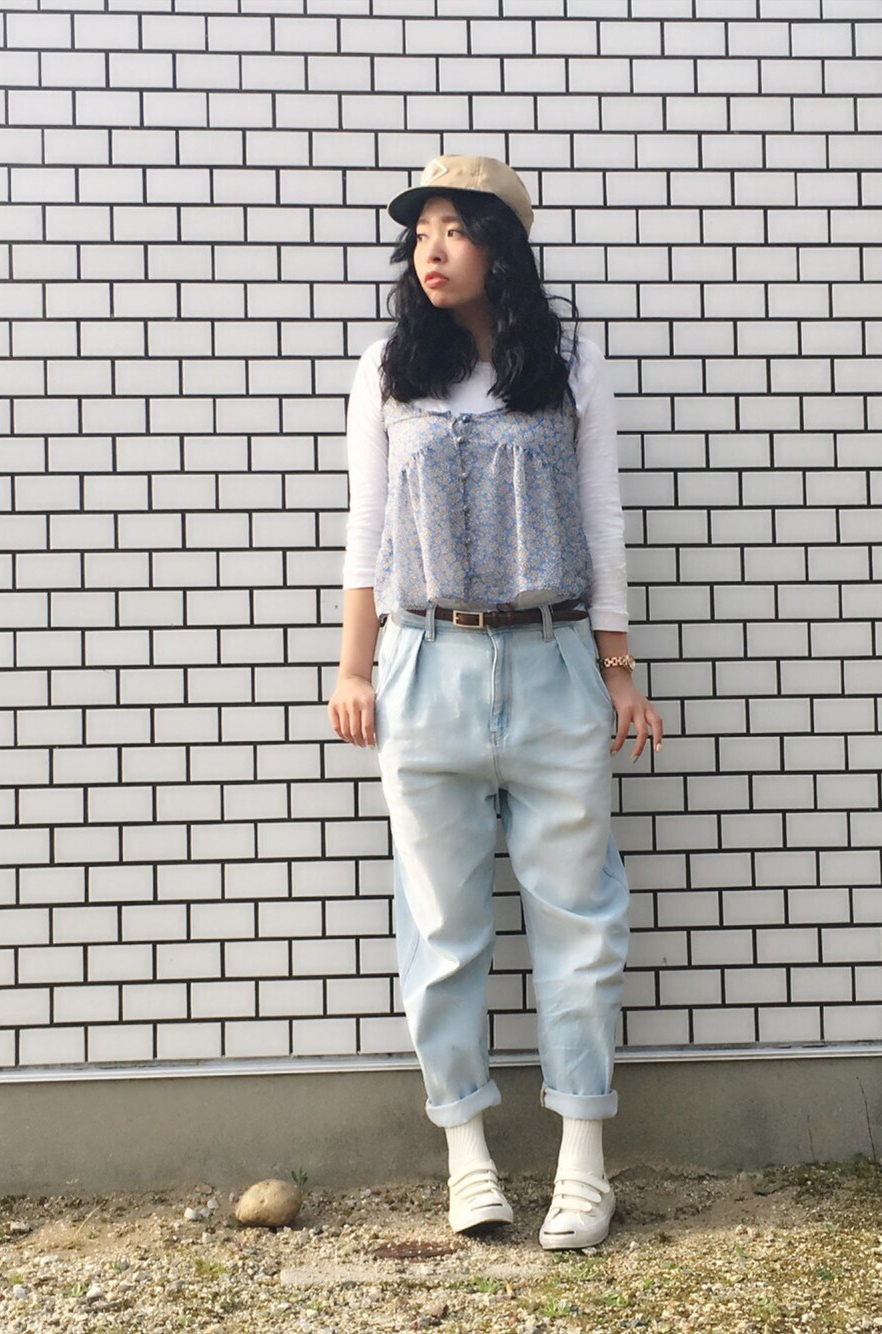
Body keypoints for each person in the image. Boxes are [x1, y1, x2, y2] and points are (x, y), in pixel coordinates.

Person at [328, 154, 664, 1250]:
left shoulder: (570, 364)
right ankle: (466, 1157)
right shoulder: (388, 369)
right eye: (419, 231)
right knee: (439, 925)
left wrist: (618, 669)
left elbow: (604, 523)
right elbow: (367, 532)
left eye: (455, 229)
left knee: (580, 921)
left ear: (501, 248)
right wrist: (355, 668)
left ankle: (582, 1164)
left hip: (555, 661)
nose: (431, 249)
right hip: (425, 665)